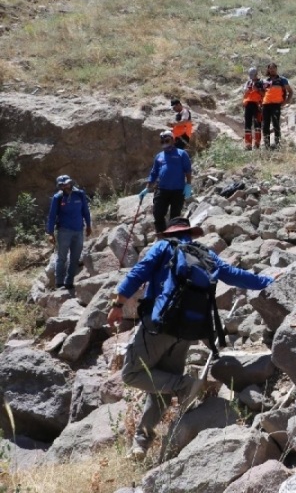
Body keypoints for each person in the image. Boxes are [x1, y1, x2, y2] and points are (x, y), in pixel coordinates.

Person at [107, 217, 278, 460]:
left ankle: (185, 385)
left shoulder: (164, 247)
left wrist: (118, 303)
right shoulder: (205, 253)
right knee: (160, 387)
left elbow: (138, 272)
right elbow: (232, 275)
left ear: (169, 233)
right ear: (191, 233)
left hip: (158, 327)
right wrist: (267, 281)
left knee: (132, 374)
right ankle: (141, 443)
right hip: (187, 331)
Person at [139, 131, 193, 233]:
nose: (165, 143)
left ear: (173, 140)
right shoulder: (159, 156)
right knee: (157, 213)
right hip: (162, 189)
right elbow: (154, 173)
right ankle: (161, 235)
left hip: (177, 190)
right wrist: (147, 188)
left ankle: (173, 237)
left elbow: (188, 170)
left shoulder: (182, 154)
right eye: (162, 141)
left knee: (175, 216)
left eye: (167, 140)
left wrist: (188, 185)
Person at [45, 175, 92, 290]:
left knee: (75, 258)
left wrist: (89, 226)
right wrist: (50, 233)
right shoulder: (58, 198)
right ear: (59, 186)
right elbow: (52, 216)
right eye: (62, 185)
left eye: (66, 184)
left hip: (78, 231)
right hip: (64, 231)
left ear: (71, 182)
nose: (65, 186)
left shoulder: (80, 194)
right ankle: (59, 283)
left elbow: (85, 211)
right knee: (62, 257)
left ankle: (69, 282)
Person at [261, 63, 293, 149]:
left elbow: (290, 91)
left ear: (276, 69)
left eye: (274, 68)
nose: (272, 70)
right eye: (270, 68)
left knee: (276, 124)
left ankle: (277, 144)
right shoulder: (265, 81)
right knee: (265, 125)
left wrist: (286, 101)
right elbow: (262, 93)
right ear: (268, 70)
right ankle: (266, 145)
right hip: (266, 105)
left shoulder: (282, 80)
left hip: (276, 105)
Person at [242, 67, 264, 150]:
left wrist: (257, 90)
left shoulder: (261, 82)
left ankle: (257, 143)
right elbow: (244, 91)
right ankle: (248, 144)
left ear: (256, 74)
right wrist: (246, 91)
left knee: (257, 124)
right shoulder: (248, 82)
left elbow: (264, 93)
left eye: (253, 75)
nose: (251, 76)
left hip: (257, 104)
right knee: (247, 124)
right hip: (248, 104)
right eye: (250, 75)